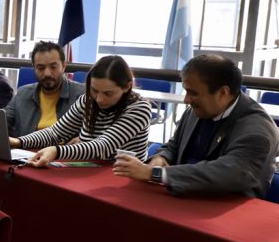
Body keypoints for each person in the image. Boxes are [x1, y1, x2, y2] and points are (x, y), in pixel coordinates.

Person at [114, 54, 279, 198]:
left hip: (226, 209)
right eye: (186, 91)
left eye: (193, 93)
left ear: (223, 92)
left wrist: (155, 173)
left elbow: (229, 173)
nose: (186, 100)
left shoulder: (258, 130)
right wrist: (161, 158)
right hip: (184, 198)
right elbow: (173, 145)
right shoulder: (197, 110)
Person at [10, 55, 152, 167]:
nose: (99, 99)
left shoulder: (139, 109)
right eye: (94, 90)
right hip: (89, 169)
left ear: (127, 87)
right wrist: (19, 142)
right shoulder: (87, 100)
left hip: (122, 178)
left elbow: (103, 146)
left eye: (108, 93)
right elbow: (56, 133)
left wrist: (57, 151)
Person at [4, 41, 85, 137]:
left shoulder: (82, 95)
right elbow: (2, 123)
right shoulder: (22, 94)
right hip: (26, 146)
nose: (47, 73)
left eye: (53, 67)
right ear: (34, 68)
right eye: (41, 68)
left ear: (63, 66)